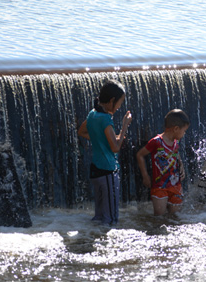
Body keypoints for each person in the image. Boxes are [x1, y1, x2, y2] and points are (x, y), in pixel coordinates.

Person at [78, 80, 132, 225]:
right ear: (112, 100)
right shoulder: (106, 119)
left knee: (100, 215)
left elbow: (82, 132)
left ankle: (93, 237)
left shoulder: (92, 114)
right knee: (111, 218)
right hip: (108, 171)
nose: (120, 107)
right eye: (119, 103)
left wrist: (98, 139)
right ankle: (107, 243)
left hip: (95, 171)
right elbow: (115, 148)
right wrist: (125, 126)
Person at [136, 109, 190, 216]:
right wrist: (145, 175)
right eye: (184, 131)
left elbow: (176, 153)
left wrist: (181, 165)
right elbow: (140, 155)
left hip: (176, 186)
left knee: (175, 218)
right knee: (159, 218)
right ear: (175, 129)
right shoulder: (156, 142)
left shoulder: (176, 141)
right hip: (159, 187)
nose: (184, 134)